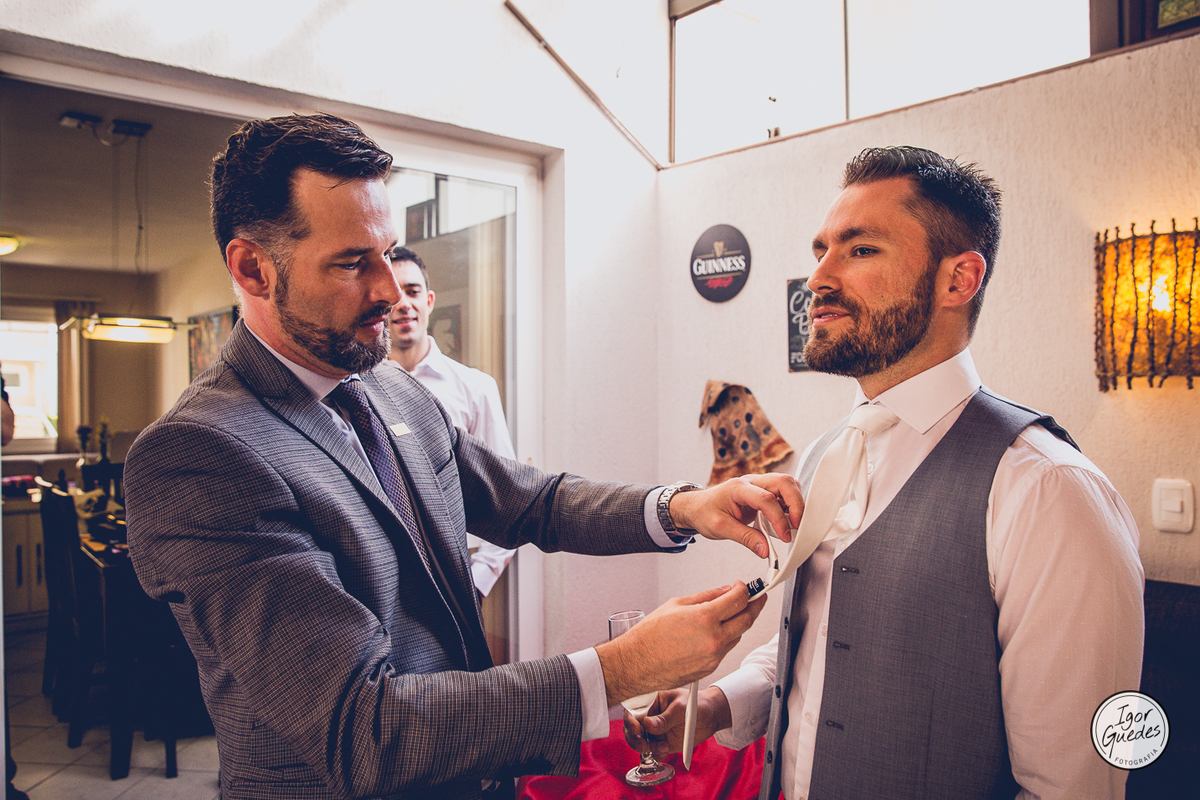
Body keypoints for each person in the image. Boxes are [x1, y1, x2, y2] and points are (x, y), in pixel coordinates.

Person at [122, 113, 803, 800]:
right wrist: (620, 669)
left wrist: (685, 507)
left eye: (388, 253)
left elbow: (528, 500)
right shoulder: (201, 456)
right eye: (354, 262)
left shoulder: (386, 385)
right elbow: (362, 728)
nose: (389, 293)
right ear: (252, 268)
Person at [640, 146, 1144, 799]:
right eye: (820, 249)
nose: (818, 277)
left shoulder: (1049, 491)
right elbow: (821, 641)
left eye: (860, 250)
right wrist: (714, 708)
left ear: (957, 280)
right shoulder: (826, 454)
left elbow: (1071, 785)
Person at [382, 248, 516, 601]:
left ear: (428, 301)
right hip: (387, 585)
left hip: (458, 577)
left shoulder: (475, 388)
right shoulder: (357, 390)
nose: (403, 304)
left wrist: (477, 584)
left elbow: (505, 494)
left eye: (411, 292)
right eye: (392, 295)